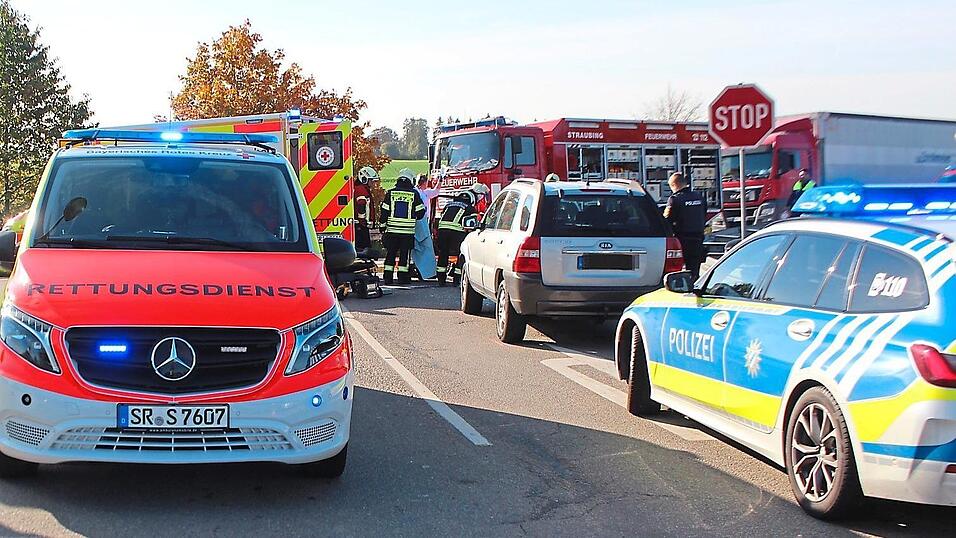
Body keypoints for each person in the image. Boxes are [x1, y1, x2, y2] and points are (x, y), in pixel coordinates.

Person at [380, 170, 426, 285]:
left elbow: (384, 211)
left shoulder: (390, 193)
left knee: (390, 254)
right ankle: (402, 278)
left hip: (392, 231)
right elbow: (420, 212)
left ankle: (388, 278)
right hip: (407, 232)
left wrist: (382, 226)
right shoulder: (414, 194)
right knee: (404, 255)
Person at [664, 172, 706, 281]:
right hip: (698, 239)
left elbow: (667, 220)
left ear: (674, 185)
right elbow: (704, 214)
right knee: (694, 271)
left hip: (681, 240)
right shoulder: (699, 197)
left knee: (676, 271)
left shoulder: (674, 199)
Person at [435, 191, 478, 286]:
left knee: (443, 253)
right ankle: (457, 279)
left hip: (442, 231)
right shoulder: (470, 208)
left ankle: (441, 279)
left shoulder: (448, 205)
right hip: (457, 233)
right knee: (460, 254)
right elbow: (472, 224)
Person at [411, 173, 441, 281]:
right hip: (417, 221)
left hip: (424, 221)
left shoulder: (425, 192)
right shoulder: (416, 192)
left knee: (423, 246)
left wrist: (440, 179)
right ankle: (420, 269)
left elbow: (436, 191)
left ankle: (423, 271)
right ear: (422, 183)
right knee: (421, 245)